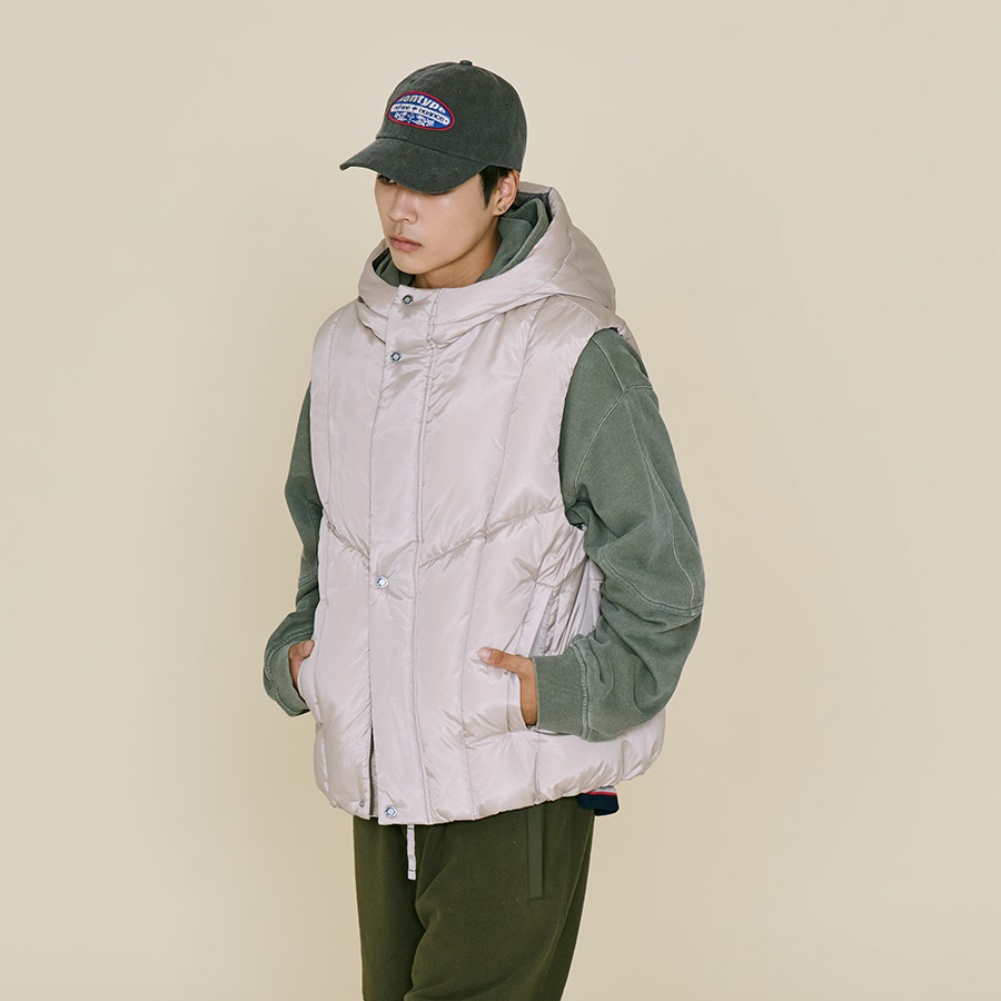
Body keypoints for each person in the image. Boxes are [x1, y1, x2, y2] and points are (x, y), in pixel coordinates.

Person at [263, 59, 705, 1001]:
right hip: (381, 781)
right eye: (388, 176)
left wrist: (560, 691)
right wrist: (308, 654)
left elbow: (662, 576)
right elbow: (322, 524)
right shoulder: (344, 346)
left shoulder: (573, 351)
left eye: (432, 183)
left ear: (503, 188)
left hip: (514, 777)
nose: (400, 205)